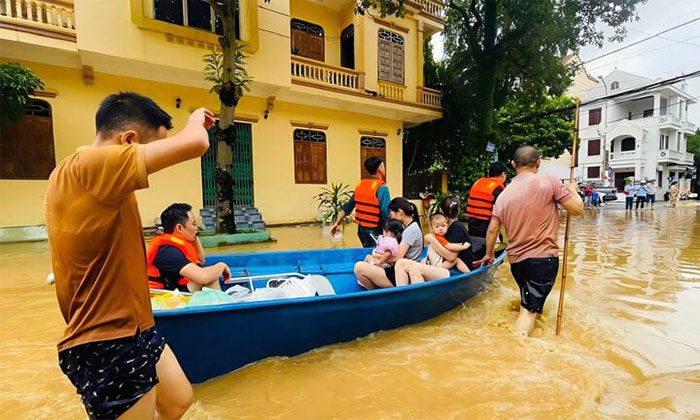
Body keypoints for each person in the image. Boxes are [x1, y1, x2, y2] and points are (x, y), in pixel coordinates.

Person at [45, 92, 216, 419]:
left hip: (137, 327)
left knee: (178, 399)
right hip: (107, 338)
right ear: (128, 141)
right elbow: (196, 143)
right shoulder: (92, 166)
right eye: (149, 149)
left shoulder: (83, 174)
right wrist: (195, 119)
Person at [477, 146, 583, 337]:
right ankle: (517, 350)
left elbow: (492, 229)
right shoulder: (548, 182)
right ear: (538, 164)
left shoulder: (503, 195)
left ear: (513, 165)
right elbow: (576, 209)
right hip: (542, 260)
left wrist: (489, 254)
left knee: (528, 302)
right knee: (529, 311)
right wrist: (572, 190)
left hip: (517, 263)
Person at [147, 203, 231, 292]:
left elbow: (201, 261)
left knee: (211, 273)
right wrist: (222, 265)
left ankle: (218, 303)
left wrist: (193, 235)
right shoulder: (167, 252)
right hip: (163, 300)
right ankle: (219, 304)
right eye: (193, 224)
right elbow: (203, 277)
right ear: (179, 228)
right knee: (211, 276)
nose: (196, 228)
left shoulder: (175, 243)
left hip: (173, 293)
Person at [394, 196, 473, 286]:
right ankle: (404, 293)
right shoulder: (447, 229)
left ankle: (417, 296)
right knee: (400, 262)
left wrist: (432, 240)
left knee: (414, 268)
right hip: (442, 267)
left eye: (442, 225)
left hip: (453, 271)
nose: (440, 228)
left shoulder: (456, 228)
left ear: (443, 213)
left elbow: (451, 257)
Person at [353, 197, 423, 289]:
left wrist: (377, 255)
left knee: (359, 267)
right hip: (397, 269)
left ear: (400, 212)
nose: (390, 215)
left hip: (400, 275)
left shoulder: (411, 230)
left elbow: (397, 258)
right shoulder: (408, 227)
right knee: (369, 258)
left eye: (391, 212)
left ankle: (374, 293)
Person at [330, 156, 390, 247]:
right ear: (380, 168)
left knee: (368, 253)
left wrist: (337, 223)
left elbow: (347, 207)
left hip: (361, 231)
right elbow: (386, 213)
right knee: (378, 256)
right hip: (376, 231)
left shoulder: (361, 186)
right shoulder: (382, 189)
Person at [465, 161, 507, 237]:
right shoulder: (497, 189)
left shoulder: (477, 183)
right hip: (486, 228)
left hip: (471, 226)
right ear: (503, 174)